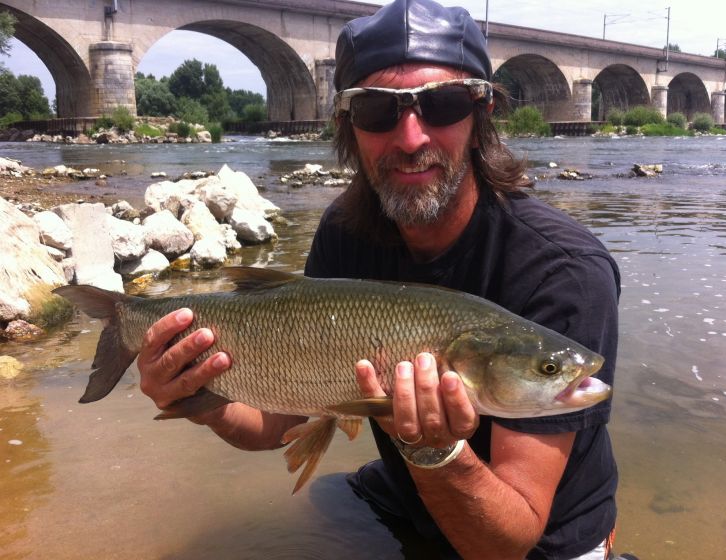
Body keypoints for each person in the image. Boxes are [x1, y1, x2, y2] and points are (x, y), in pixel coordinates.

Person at [137, 0, 622, 558]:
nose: (411, 138)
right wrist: (204, 395)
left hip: (537, 537)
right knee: (320, 505)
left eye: (442, 104)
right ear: (348, 127)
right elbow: (277, 419)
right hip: (412, 490)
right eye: (376, 111)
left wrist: (436, 453)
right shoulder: (346, 232)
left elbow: (507, 541)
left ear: (480, 115)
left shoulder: (565, 271)